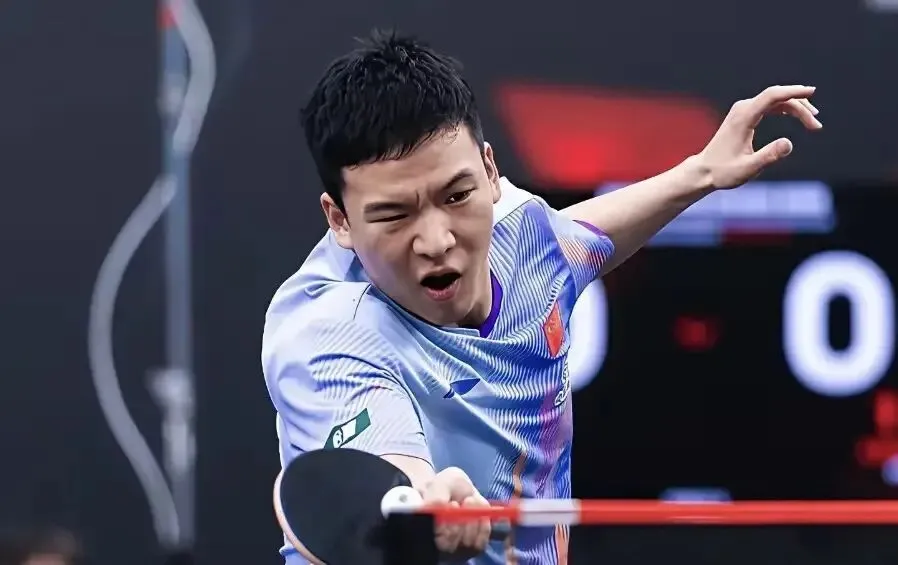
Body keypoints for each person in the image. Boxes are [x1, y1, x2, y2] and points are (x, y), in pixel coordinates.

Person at [261, 29, 821, 565]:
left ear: (490, 171)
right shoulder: (326, 336)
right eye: (393, 215)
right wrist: (426, 505)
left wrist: (701, 172)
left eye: (456, 196)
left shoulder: (525, 235)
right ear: (339, 219)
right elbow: (386, 471)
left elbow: (579, 240)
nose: (436, 241)